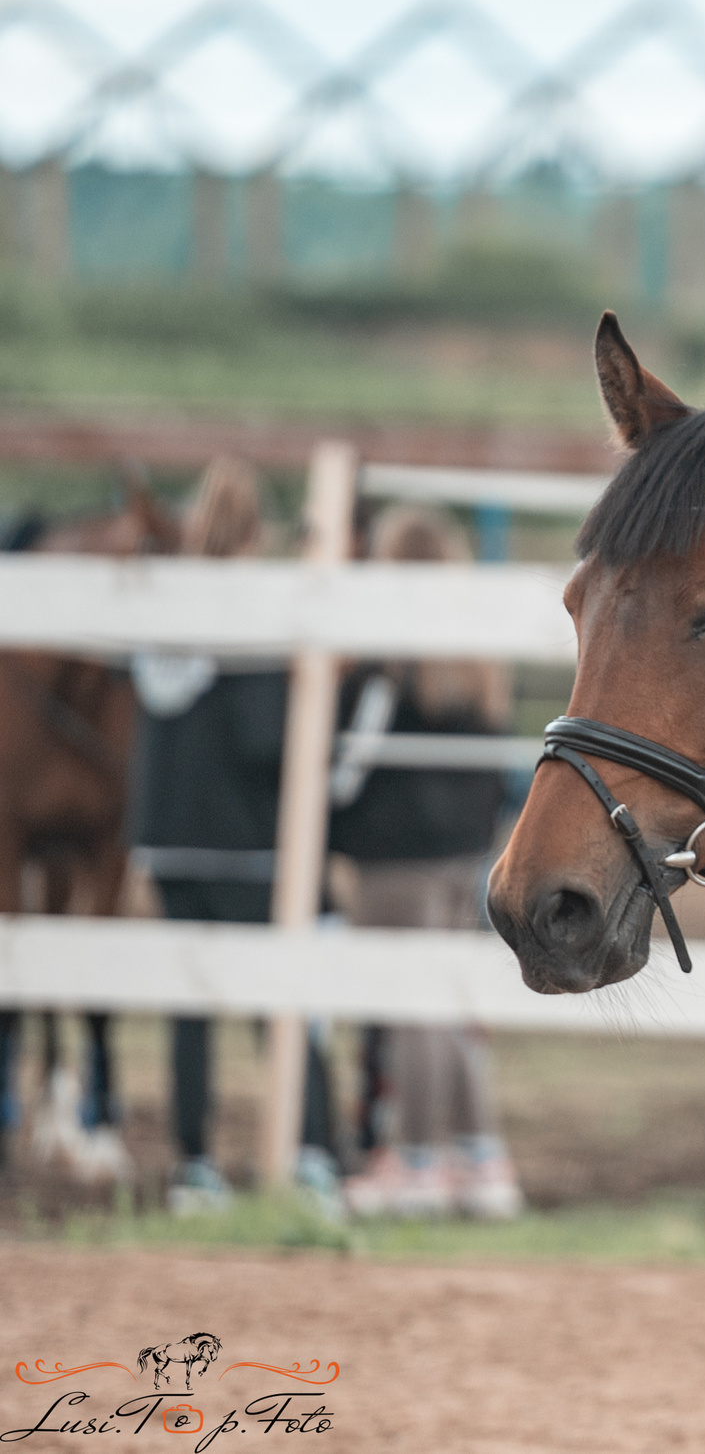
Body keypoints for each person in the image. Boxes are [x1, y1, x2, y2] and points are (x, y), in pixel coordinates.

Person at [131, 457, 342, 1216]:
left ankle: (195, 1167)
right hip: (248, 843)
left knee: (190, 1010)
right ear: (258, 529)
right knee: (280, 1004)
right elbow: (265, 743)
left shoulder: (165, 611)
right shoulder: (260, 612)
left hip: (166, 837)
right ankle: (316, 1152)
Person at [330, 504, 522, 1220]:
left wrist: (319, 823)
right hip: (463, 854)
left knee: (415, 1010)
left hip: (394, 857)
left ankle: (413, 1161)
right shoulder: (478, 663)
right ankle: (479, 1156)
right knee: (449, 1007)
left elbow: (343, 768)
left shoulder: (385, 669)